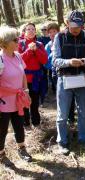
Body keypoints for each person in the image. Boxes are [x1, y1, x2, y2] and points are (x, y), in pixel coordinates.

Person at [52, 10, 85, 155]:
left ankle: (83, 139)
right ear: (67, 23)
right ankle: (62, 142)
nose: (76, 29)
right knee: (62, 114)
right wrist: (69, 62)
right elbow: (55, 61)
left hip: (82, 78)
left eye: (79, 26)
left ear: (83, 25)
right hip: (64, 79)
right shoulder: (59, 37)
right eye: (73, 26)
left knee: (83, 112)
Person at [0, 27, 32, 167]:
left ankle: (22, 148)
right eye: (15, 39)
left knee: (19, 125)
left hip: (18, 99)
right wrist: (12, 90)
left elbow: (23, 74)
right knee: (2, 129)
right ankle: (1, 154)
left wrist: (26, 90)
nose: (18, 41)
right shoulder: (0, 59)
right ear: (5, 43)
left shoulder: (18, 55)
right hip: (3, 102)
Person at [18, 22, 48, 129]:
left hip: (36, 79)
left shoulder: (39, 44)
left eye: (32, 29)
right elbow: (18, 60)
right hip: (23, 79)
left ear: (35, 31)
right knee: (24, 102)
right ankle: (26, 124)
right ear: (24, 32)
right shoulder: (20, 44)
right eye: (28, 29)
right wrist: (29, 51)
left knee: (34, 102)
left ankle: (36, 123)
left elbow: (44, 60)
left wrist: (36, 50)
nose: (31, 31)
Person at [45, 22, 60, 94]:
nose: (52, 34)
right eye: (50, 32)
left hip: (65, 70)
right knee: (58, 90)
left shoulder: (63, 42)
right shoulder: (48, 45)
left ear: (58, 32)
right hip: (54, 71)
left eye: (54, 31)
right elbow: (45, 62)